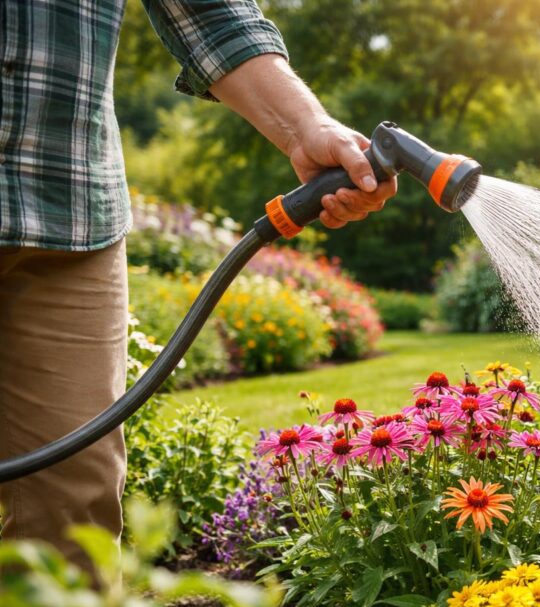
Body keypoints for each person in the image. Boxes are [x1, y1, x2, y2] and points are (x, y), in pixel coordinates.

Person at [0, 1, 397, 572]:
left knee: (72, 511)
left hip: (68, 209)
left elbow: (210, 11)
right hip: (69, 208)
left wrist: (307, 127)